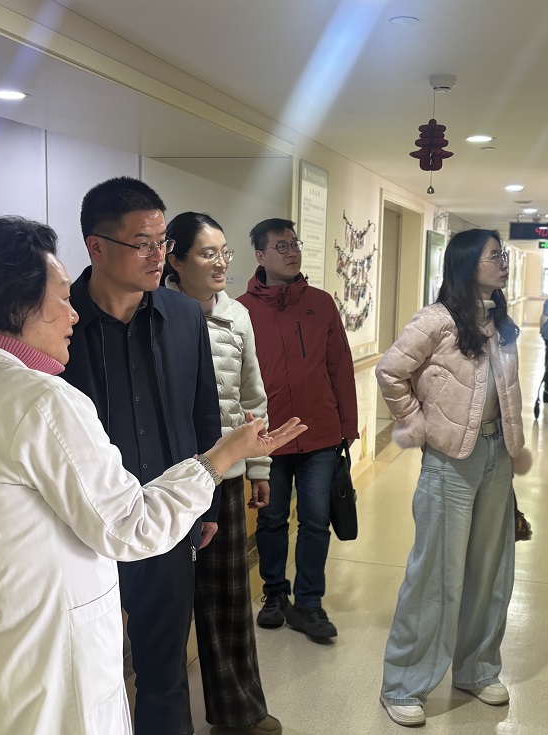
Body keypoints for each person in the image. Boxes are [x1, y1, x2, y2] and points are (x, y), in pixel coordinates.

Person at [0, 216, 307, 735]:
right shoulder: (42, 401)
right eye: (61, 298)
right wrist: (220, 459)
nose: (74, 313)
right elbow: (130, 526)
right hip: (47, 677)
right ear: (16, 307)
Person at [62, 177, 223, 735]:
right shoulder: (56, 320)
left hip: (165, 521)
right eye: (142, 243)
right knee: (86, 671)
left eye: (163, 242)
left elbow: (203, 411)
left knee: (165, 669)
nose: (159, 256)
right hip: (81, 528)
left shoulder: (183, 315)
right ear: (96, 246)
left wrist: (206, 505)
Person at [375, 229, 532, 727]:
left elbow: (506, 391)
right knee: (435, 575)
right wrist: (416, 423)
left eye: (503, 255)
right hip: (450, 462)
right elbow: (390, 371)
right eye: (494, 256)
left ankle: (477, 668)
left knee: (491, 570)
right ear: (467, 264)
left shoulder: (501, 323)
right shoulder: (437, 320)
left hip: (496, 456)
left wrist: (512, 447)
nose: (503, 263)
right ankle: (403, 684)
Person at [162, 212, 280, 735]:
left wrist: (259, 466)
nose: (220, 264)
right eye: (208, 253)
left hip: (226, 477)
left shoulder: (237, 317)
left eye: (224, 253)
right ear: (176, 260)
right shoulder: (153, 313)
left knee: (229, 599)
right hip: (169, 480)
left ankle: (238, 712)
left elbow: (253, 396)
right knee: (167, 603)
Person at [237, 218, 358, 642]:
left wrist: (348, 426)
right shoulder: (240, 310)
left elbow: (340, 366)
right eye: (281, 246)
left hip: (319, 433)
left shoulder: (320, 304)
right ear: (260, 255)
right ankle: (274, 594)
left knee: (316, 519)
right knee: (271, 519)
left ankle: (309, 602)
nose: (292, 253)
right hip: (268, 438)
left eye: (295, 245)